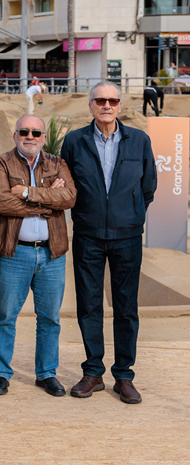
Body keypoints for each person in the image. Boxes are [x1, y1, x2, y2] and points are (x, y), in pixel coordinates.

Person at [60, 82, 156, 404]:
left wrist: (129, 213)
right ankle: (93, 372)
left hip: (127, 236)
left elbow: (148, 187)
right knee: (89, 305)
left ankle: (124, 376)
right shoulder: (74, 141)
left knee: (126, 308)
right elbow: (67, 185)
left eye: (112, 100)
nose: (106, 105)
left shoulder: (139, 140)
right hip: (87, 235)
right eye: (100, 100)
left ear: (120, 105)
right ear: (90, 105)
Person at [0, 116, 76, 397]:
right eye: (24, 131)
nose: (30, 136)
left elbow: (71, 196)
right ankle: (1, 373)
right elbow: (2, 203)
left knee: (50, 318)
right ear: (15, 135)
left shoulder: (57, 163)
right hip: (14, 254)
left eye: (36, 132)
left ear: (43, 137)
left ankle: (47, 373)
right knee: (5, 316)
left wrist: (27, 192)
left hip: (52, 255)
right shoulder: (1, 163)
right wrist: (49, 198)